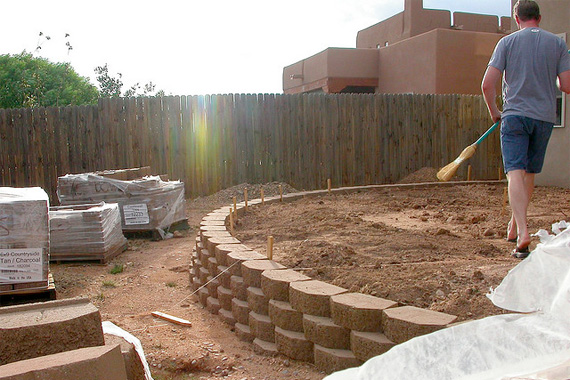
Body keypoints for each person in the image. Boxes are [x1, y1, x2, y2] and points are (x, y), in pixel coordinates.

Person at [481, 0, 570, 258]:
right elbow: (566, 86)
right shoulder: (558, 44)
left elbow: (487, 84)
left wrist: (495, 112)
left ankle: (522, 233)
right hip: (543, 118)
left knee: (514, 173)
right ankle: (513, 225)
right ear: (539, 18)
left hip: (515, 117)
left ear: (517, 18)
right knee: (529, 173)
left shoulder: (506, 43)